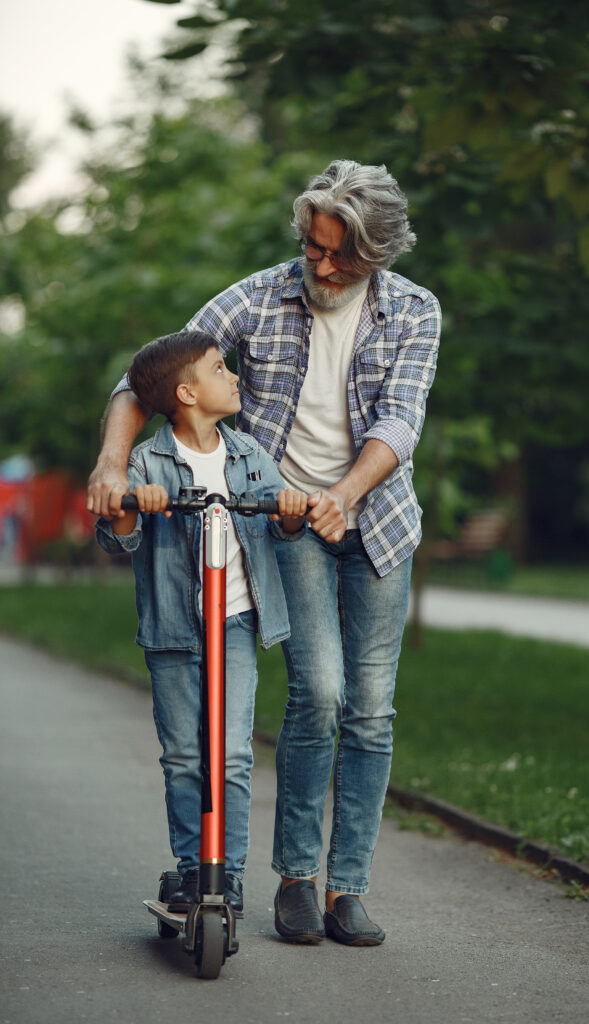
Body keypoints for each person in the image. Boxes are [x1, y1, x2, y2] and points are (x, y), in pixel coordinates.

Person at [88, 160, 441, 946]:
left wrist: (344, 496)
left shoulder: (414, 309)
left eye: (336, 256)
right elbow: (149, 374)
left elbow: (400, 421)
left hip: (374, 517)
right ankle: (294, 880)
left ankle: (347, 885)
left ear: (375, 254)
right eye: (311, 248)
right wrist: (113, 465)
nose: (318, 266)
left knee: (372, 709)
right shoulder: (257, 295)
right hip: (279, 518)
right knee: (317, 692)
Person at [95, 330, 308, 916]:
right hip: (172, 631)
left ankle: (228, 872)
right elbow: (120, 536)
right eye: (221, 369)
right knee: (186, 755)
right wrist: (134, 502)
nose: (235, 377)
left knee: (232, 753)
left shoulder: (249, 455)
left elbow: (281, 520)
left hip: (235, 622)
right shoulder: (147, 460)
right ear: (187, 393)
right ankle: (194, 868)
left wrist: (289, 512)